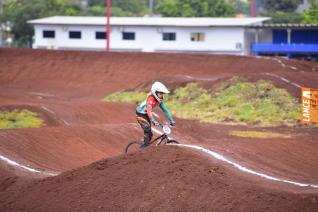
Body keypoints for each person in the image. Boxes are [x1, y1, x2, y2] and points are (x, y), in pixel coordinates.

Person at [136, 81, 175, 147]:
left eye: (162, 94)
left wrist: (171, 120)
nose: (161, 95)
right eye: (160, 93)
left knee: (150, 134)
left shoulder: (159, 101)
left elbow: (165, 110)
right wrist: (153, 120)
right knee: (147, 129)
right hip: (140, 114)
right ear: (155, 92)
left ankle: (145, 144)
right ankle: (144, 149)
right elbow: (149, 111)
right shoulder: (150, 99)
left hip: (146, 114)